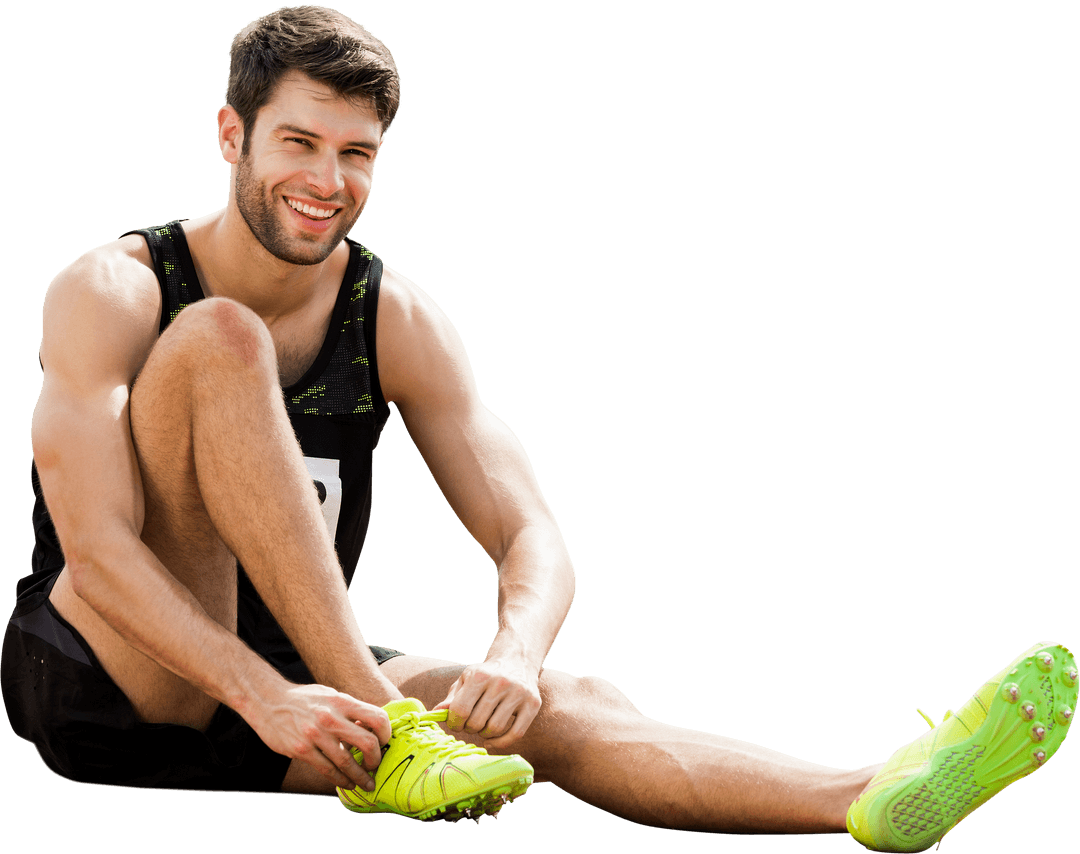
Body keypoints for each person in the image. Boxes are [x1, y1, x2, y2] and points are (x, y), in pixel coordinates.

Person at [1, 4, 1075, 850]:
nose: (328, 182)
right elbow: (95, 552)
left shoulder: (398, 316)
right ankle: (399, 729)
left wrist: (511, 659)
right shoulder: (115, 287)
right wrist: (269, 693)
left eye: (359, 153)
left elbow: (532, 535)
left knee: (565, 702)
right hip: (111, 678)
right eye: (298, 142)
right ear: (231, 134)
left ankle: (868, 791)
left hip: (299, 693)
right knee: (220, 339)